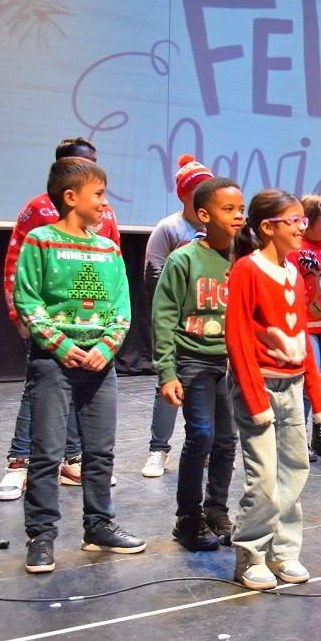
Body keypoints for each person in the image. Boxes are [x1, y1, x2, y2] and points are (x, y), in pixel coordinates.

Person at [15, 156, 139, 574]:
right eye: (99, 194)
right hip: (54, 362)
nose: (105, 203)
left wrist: (107, 346)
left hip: (100, 364)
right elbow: (28, 299)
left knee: (100, 451)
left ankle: (99, 525)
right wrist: (59, 343)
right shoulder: (41, 241)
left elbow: (121, 306)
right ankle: (42, 536)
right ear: (71, 197)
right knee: (47, 453)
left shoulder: (108, 248)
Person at [0, 137, 120, 501]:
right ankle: (20, 462)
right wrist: (19, 313)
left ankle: (75, 458)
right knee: (40, 390)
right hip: (49, 324)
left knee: (84, 392)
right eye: (82, 163)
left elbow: (111, 265)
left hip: (92, 324)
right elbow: (16, 260)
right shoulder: (39, 211)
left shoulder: (105, 214)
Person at [225, 189, 321, 590]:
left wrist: (317, 401)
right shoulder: (248, 271)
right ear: (268, 227)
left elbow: (302, 337)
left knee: (294, 471)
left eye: (305, 221)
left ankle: (283, 551)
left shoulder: (291, 271)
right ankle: (251, 552)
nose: (303, 228)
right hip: (261, 388)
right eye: (295, 221)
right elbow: (237, 338)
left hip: (293, 386)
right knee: (265, 477)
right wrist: (255, 399)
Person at [152, 176, 243, 551]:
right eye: (228, 209)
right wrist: (166, 371)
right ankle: (187, 518)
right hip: (192, 360)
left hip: (231, 364)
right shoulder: (184, 258)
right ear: (203, 215)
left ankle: (216, 510)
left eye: (241, 209)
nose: (238, 216)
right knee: (201, 435)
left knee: (226, 439)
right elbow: (163, 315)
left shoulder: (244, 258)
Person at [141, 154, 214, 479]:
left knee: (212, 386)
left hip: (210, 323)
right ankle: (159, 450)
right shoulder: (169, 228)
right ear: (185, 194)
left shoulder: (219, 230)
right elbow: (154, 271)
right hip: (178, 321)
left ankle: (208, 446)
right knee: (167, 384)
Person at [289, 193, 321, 460]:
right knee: (309, 384)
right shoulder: (293, 250)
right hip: (306, 327)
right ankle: (298, 439)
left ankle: (320, 436)